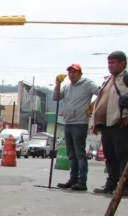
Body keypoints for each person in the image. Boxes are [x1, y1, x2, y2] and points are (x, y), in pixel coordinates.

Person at [53, 64, 100, 191]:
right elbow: (55, 98)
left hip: (80, 123)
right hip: (68, 122)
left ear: (80, 73)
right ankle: (73, 179)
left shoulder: (87, 83)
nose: (72, 74)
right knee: (71, 154)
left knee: (80, 154)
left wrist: (93, 105)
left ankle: (82, 181)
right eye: (70, 72)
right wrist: (57, 83)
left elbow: (100, 93)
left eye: (74, 72)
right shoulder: (67, 86)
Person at [91, 51, 128, 195]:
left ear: (122, 63)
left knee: (122, 155)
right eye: (108, 63)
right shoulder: (108, 80)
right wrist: (94, 122)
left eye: (113, 63)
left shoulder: (125, 77)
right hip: (106, 124)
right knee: (110, 156)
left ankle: (124, 186)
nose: (110, 66)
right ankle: (111, 184)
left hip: (120, 123)